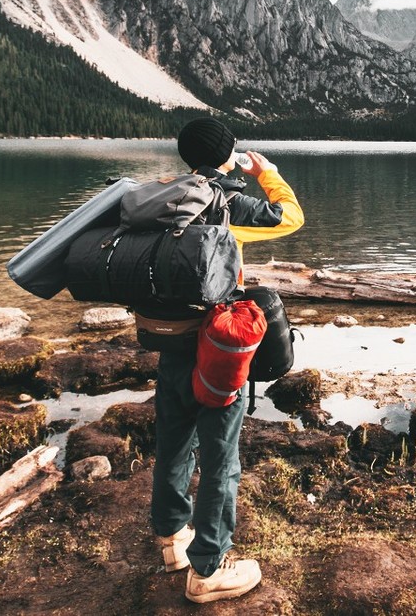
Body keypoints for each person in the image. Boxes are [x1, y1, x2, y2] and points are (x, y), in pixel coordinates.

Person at [150, 116, 304, 604]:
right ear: (225, 154)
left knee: (173, 442)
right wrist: (267, 173)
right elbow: (290, 217)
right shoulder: (227, 202)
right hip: (215, 348)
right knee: (221, 458)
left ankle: (173, 541)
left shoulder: (163, 196)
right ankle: (208, 571)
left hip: (169, 344)